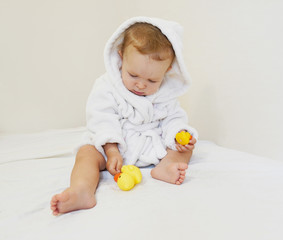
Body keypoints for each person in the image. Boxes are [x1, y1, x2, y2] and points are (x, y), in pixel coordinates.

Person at [50, 16, 198, 216]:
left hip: (150, 146)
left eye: (152, 79)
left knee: (186, 148)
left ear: (167, 70)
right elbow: (102, 119)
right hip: (115, 147)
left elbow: (173, 118)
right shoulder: (107, 86)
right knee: (86, 153)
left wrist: (179, 134)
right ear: (121, 58)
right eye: (133, 75)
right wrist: (111, 150)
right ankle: (82, 190)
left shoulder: (166, 93)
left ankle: (166, 167)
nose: (141, 85)